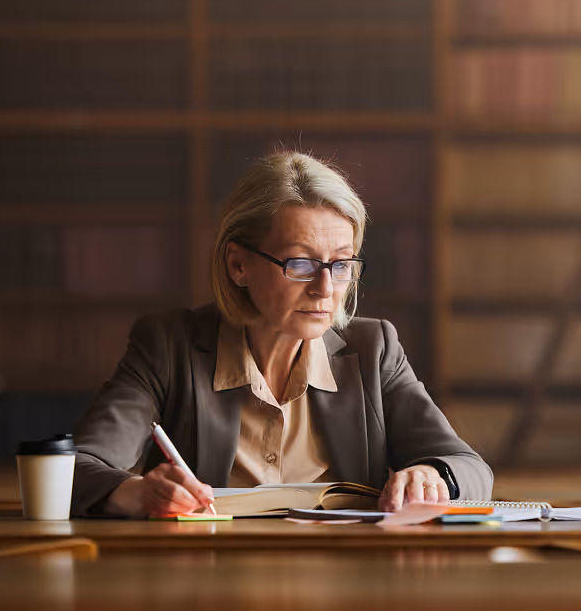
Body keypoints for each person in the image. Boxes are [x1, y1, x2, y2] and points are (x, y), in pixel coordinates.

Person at [72, 151, 492, 517]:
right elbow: (76, 469)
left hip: (352, 583)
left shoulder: (374, 350)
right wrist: (135, 493)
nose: (325, 289)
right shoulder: (168, 348)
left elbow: (470, 468)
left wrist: (434, 475)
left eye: (341, 264)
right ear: (238, 264)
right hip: (207, 581)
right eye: (301, 264)